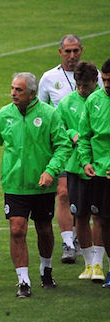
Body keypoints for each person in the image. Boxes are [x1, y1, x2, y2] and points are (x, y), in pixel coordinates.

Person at [0, 72, 71, 298]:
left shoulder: (49, 115)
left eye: (18, 90)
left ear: (32, 94)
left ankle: (46, 268)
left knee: (44, 229)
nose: (13, 93)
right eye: (12, 88)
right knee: (17, 229)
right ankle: (23, 281)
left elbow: (62, 145)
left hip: (42, 186)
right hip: (14, 185)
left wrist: (51, 171)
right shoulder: (4, 115)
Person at [38, 34, 104, 264]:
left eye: (76, 50)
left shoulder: (101, 88)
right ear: (60, 52)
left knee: (99, 213)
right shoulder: (49, 79)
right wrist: (69, 135)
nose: (72, 55)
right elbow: (48, 117)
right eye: (68, 51)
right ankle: (70, 245)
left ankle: (95, 257)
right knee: (67, 197)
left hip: (99, 158)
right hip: (68, 154)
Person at [57, 61, 106, 282]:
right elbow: (59, 127)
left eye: (85, 85)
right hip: (75, 166)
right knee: (81, 215)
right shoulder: (67, 103)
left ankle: (99, 262)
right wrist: (72, 134)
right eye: (78, 85)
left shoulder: (100, 100)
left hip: (99, 169)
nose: (81, 89)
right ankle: (88, 263)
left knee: (100, 216)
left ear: (95, 81)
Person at [78, 58, 110, 286]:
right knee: (102, 220)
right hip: (100, 174)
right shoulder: (94, 101)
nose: (108, 85)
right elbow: (85, 135)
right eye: (106, 81)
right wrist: (86, 161)